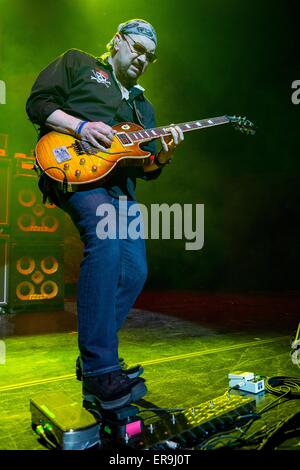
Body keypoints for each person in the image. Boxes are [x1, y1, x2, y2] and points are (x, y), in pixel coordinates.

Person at [26, 19, 184, 411]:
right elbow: (38, 103)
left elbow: (145, 168)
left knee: (134, 271)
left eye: (150, 56)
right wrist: (80, 126)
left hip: (121, 189)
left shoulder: (143, 107)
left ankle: (98, 356)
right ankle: (101, 370)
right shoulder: (79, 64)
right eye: (137, 49)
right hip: (76, 171)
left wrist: (162, 156)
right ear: (117, 42)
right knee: (107, 241)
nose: (142, 59)